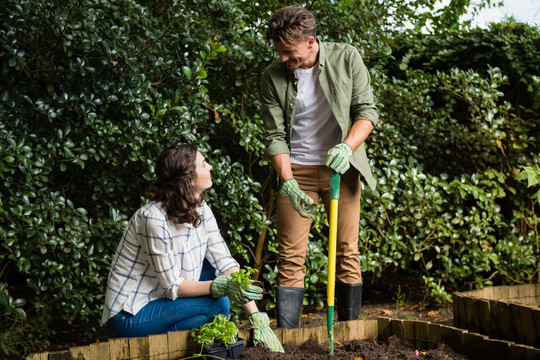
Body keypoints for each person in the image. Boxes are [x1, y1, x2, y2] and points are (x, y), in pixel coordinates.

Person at [260, 5, 379, 328]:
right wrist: (286, 179)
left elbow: (366, 112)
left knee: (346, 251)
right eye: (279, 52)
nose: (284, 59)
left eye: (289, 52)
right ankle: (288, 338)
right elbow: (274, 135)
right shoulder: (272, 76)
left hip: (341, 170)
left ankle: (349, 334)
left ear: (311, 42)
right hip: (296, 172)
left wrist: (347, 146)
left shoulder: (346, 58)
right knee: (291, 257)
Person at [101, 144, 283, 352]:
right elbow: (173, 286)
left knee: (212, 283)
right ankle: (151, 340)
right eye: (204, 164)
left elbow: (224, 261)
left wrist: (255, 315)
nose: (211, 167)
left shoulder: (201, 209)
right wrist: (218, 287)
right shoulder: (152, 218)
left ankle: (163, 342)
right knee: (218, 304)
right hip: (131, 314)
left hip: (163, 303)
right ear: (189, 179)